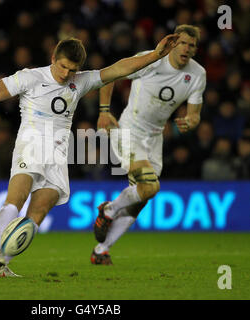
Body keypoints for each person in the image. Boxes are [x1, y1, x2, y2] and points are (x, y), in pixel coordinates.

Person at [0, 34, 178, 277]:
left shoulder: (81, 81)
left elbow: (118, 69)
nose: (66, 73)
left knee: (37, 214)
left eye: (73, 69)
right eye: (63, 66)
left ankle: (0, 265)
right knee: (16, 197)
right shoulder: (31, 77)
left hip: (59, 156)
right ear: (53, 58)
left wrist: (155, 55)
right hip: (32, 145)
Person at [91, 25, 206, 265]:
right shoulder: (150, 60)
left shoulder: (197, 74)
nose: (187, 48)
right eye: (183, 42)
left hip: (155, 139)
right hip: (129, 132)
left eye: (192, 45)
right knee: (151, 186)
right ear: (173, 43)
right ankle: (109, 210)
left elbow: (195, 114)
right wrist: (103, 111)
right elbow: (108, 75)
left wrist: (191, 121)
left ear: (195, 50)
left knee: (140, 200)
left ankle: (101, 250)